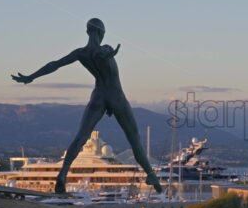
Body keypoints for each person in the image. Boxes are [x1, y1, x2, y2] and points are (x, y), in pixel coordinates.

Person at [11, 18, 162, 194]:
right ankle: (151, 174)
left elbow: (55, 65)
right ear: (101, 32)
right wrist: (108, 54)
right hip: (115, 96)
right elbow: (103, 53)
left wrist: (31, 76)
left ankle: (63, 173)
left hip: (98, 96)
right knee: (133, 137)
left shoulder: (81, 53)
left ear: (87, 32)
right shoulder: (103, 49)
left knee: (81, 137)